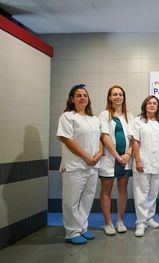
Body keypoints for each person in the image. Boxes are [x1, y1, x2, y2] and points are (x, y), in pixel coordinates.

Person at [57, 84, 103, 245]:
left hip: (92, 165)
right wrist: (85, 156)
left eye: (85, 95)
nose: (83, 97)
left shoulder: (93, 119)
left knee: (87, 198)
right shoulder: (67, 117)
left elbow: (99, 139)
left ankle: (82, 228)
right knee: (72, 200)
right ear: (72, 99)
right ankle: (71, 231)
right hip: (74, 166)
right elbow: (67, 139)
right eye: (78, 95)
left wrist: (98, 155)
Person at [98, 85, 134, 235]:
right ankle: (108, 223)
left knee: (123, 189)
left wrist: (127, 155)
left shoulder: (129, 116)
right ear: (110, 97)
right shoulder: (104, 114)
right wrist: (118, 156)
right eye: (115, 94)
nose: (118, 96)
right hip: (110, 158)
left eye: (120, 94)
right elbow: (105, 137)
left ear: (124, 97)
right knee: (106, 190)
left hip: (125, 159)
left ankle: (120, 220)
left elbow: (134, 139)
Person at [131, 95, 159, 237]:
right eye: (149, 103)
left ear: (157, 107)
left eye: (155, 103)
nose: (152, 105)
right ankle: (140, 222)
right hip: (143, 162)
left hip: (157, 162)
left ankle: (150, 218)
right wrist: (138, 160)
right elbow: (134, 142)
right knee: (141, 193)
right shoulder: (138, 121)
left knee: (153, 193)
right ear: (145, 105)